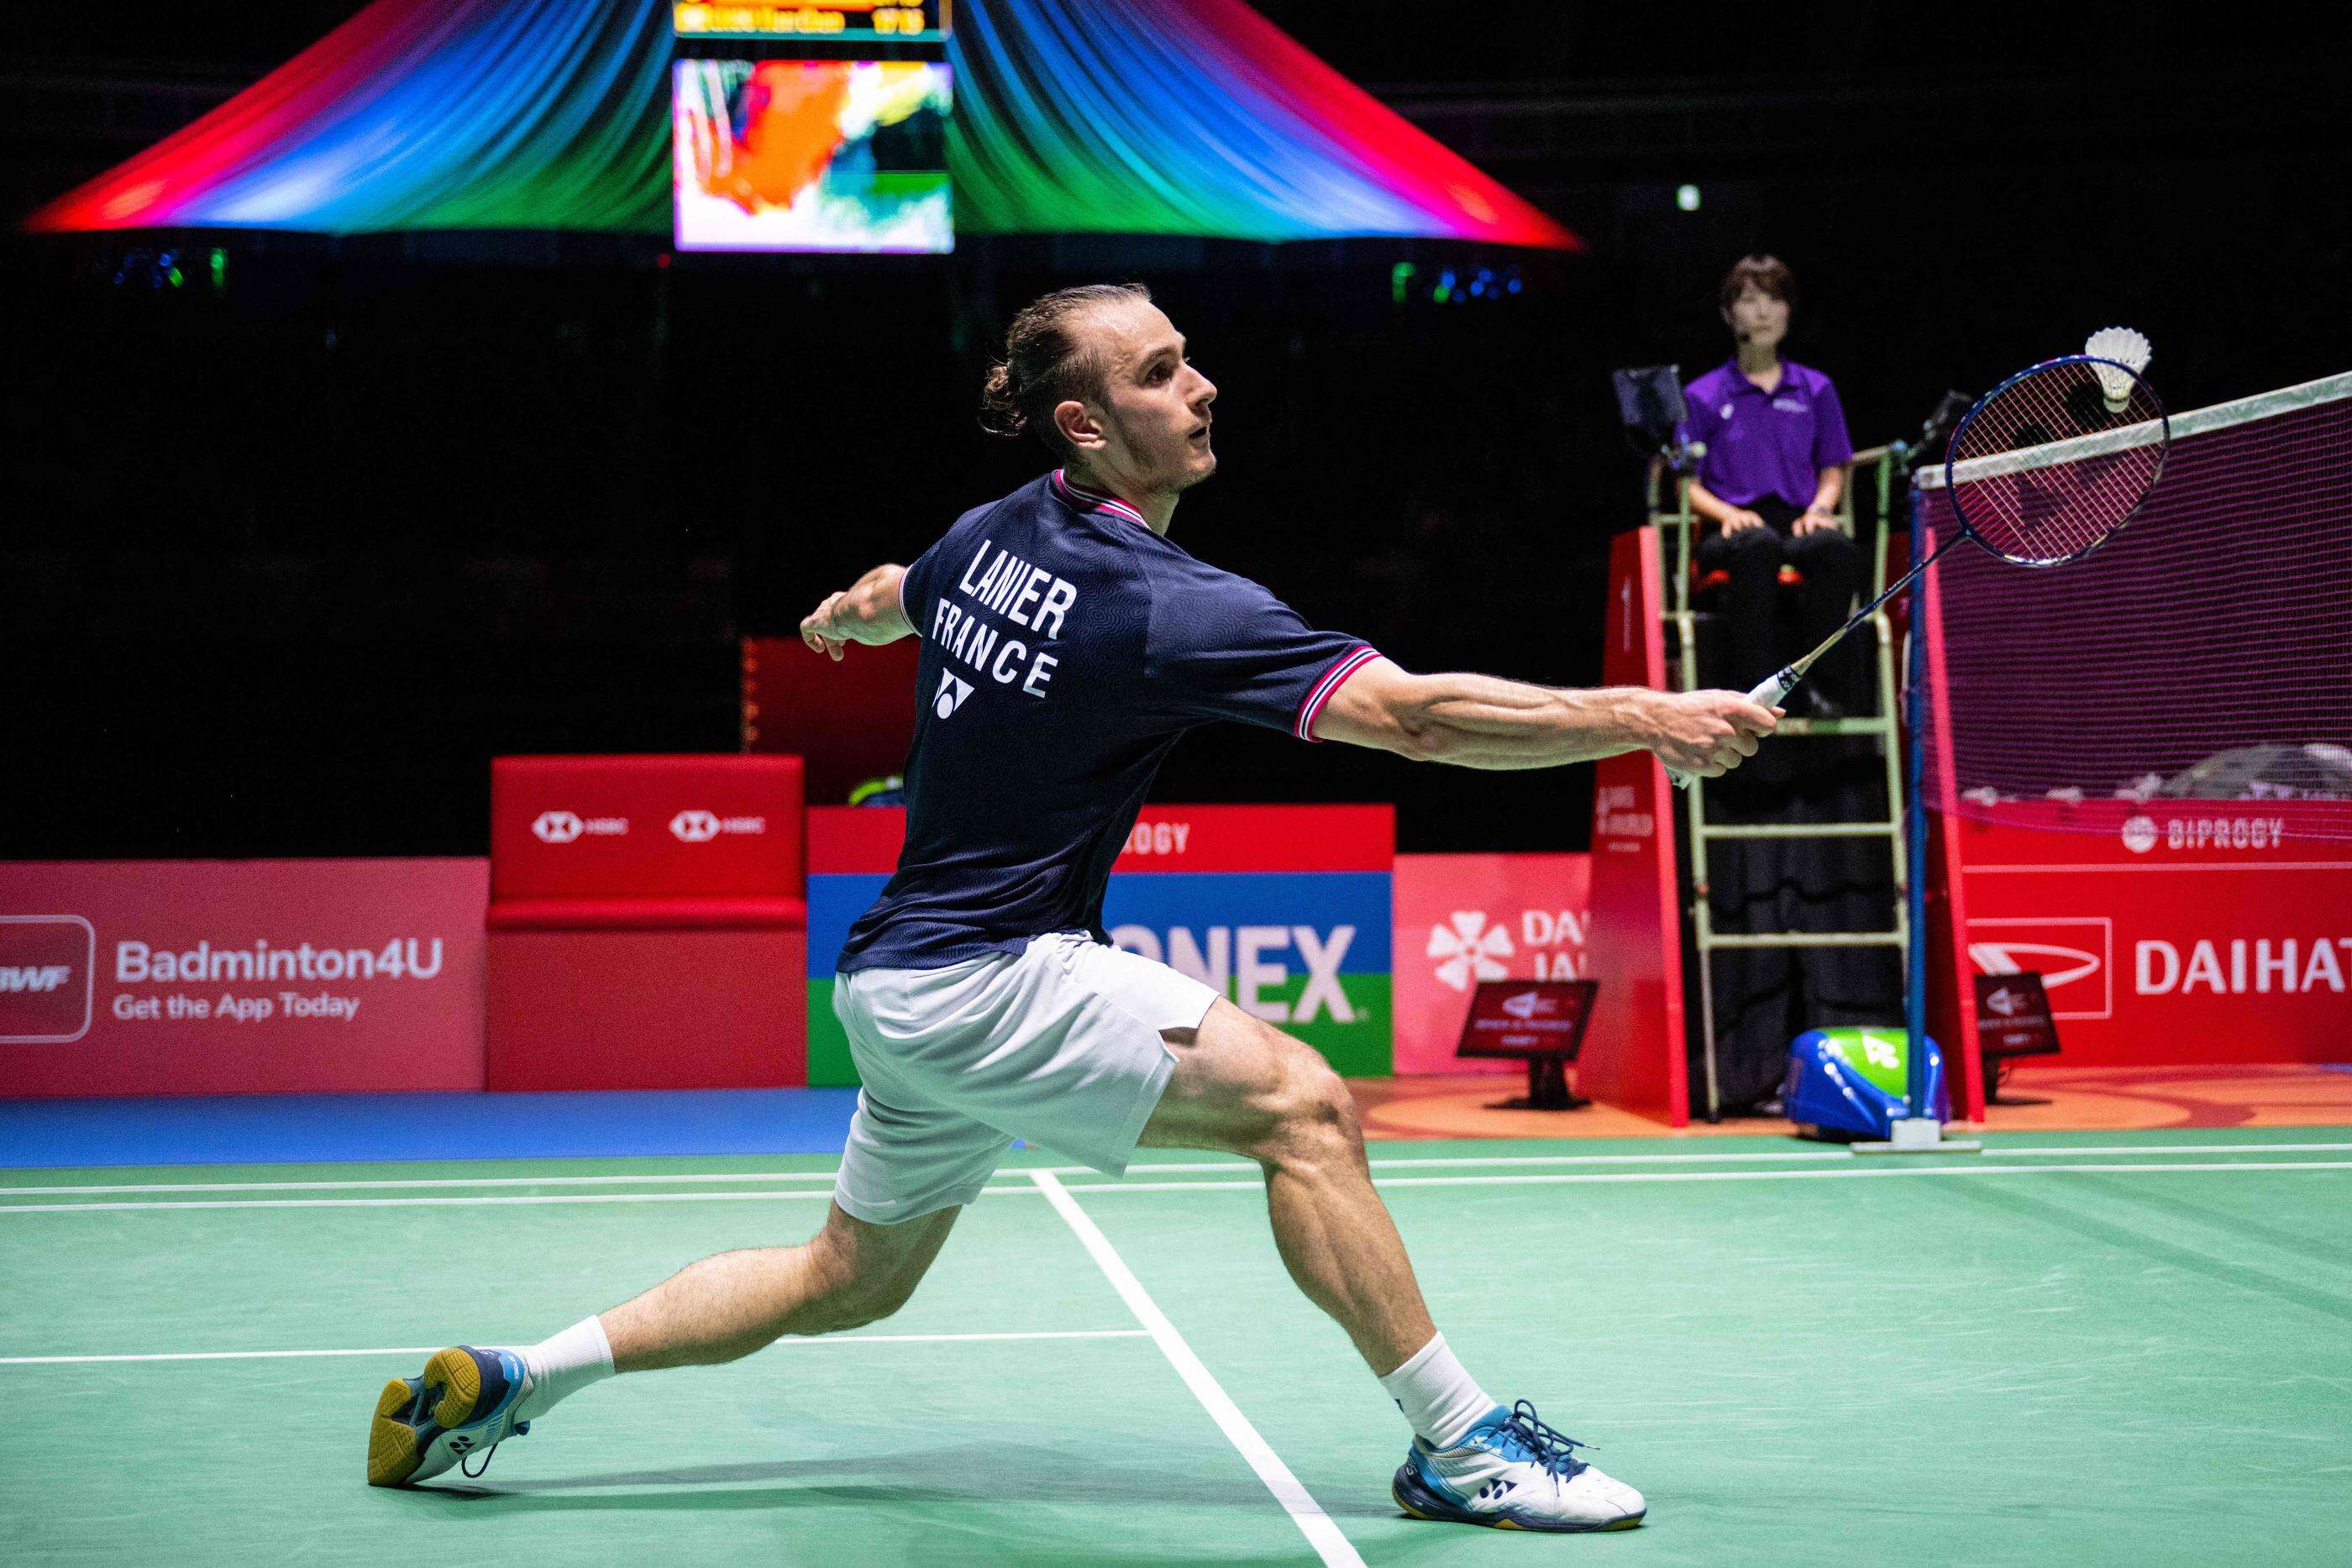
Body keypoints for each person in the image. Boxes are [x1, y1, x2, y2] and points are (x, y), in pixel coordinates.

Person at [363, 282, 1777, 1534]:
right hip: (989, 971)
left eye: (1188, 358)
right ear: (1084, 425)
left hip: (895, 987)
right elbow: (1415, 717)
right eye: (1160, 372)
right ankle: (1465, 1447)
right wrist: (1649, 715)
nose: (1202, 383)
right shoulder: (1164, 604)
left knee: (847, 1278)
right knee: (1304, 1107)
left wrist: (848, 620)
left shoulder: (989, 533)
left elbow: (892, 593)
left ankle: (516, 1376)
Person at [1678, 254, 1861, 708]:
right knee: (1756, 545)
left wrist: (1820, 509)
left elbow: (1833, 468)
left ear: (1788, 311)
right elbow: (1686, 484)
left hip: (1797, 518)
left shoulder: (1816, 389)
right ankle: (1756, 688)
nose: (1762, 311)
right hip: (1730, 526)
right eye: (1748, 300)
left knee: (1835, 549)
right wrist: (1728, 514)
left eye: (1773, 300)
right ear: (1728, 314)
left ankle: (1822, 684)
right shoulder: (1702, 395)